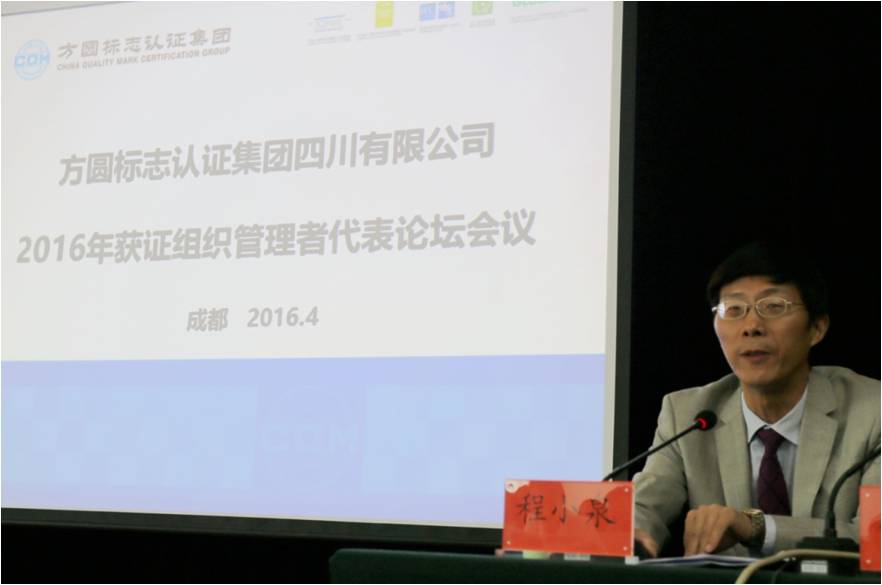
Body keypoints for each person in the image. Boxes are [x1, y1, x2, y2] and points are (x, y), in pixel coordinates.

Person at [633, 241, 880, 557]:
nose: (751, 327)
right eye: (733, 310)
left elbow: (874, 535)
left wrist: (756, 527)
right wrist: (633, 534)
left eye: (774, 307)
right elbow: (646, 503)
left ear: (817, 328)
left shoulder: (872, 412)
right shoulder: (689, 415)